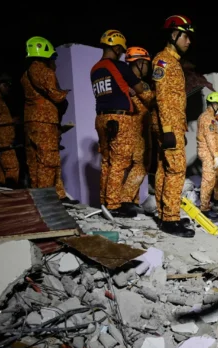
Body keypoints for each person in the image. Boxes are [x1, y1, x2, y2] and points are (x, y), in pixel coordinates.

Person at [91, 31, 154, 217]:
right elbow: (140, 89)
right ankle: (113, 205)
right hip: (119, 118)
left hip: (101, 117)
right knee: (119, 163)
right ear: (117, 48)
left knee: (107, 162)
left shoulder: (95, 69)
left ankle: (105, 202)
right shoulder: (118, 66)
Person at [152, 15, 195, 237]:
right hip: (168, 125)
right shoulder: (163, 61)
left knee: (164, 168)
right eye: (185, 36)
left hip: (173, 125)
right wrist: (168, 130)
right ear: (173, 35)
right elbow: (162, 97)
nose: (189, 41)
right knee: (177, 169)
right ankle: (170, 218)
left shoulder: (173, 62)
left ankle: (164, 215)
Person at [21, 36, 71, 201]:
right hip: (44, 121)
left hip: (31, 121)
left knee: (35, 161)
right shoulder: (45, 72)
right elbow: (56, 96)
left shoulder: (26, 74)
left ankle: (52, 195)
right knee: (48, 161)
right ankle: (47, 198)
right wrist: (66, 93)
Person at [125, 46, 155, 208]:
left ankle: (133, 202)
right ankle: (125, 199)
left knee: (135, 165)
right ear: (139, 63)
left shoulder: (126, 82)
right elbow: (150, 100)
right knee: (140, 165)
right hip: (137, 130)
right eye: (146, 64)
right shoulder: (137, 84)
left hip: (139, 129)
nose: (148, 68)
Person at [197, 92, 218, 218]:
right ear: (215, 105)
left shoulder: (204, 116)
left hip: (207, 151)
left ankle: (216, 200)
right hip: (208, 152)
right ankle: (204, 209)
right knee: (208, 180)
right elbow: (211, 139)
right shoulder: (209, 119)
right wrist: (216, 156)